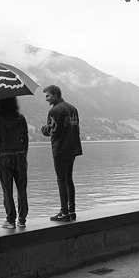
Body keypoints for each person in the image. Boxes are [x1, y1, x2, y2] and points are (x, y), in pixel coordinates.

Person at [40, 85, 83, 221]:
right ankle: (71, 210)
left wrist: (43, 129)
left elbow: (52, 130)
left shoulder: (54, 111)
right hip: (73, 148)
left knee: (61, 180)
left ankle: (64, 213)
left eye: (48, 96)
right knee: (69, 179)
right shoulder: (73, 109)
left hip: (60, 149)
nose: (46, 99)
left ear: (56, 95)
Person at [0, 97, 29, 229]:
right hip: (20, 156)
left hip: (4, 157)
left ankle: (10, 220)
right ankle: (22, 220)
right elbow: (25, 137)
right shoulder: (20, 117)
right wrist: (24, 155)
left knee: (7, 190)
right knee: (22, 189)